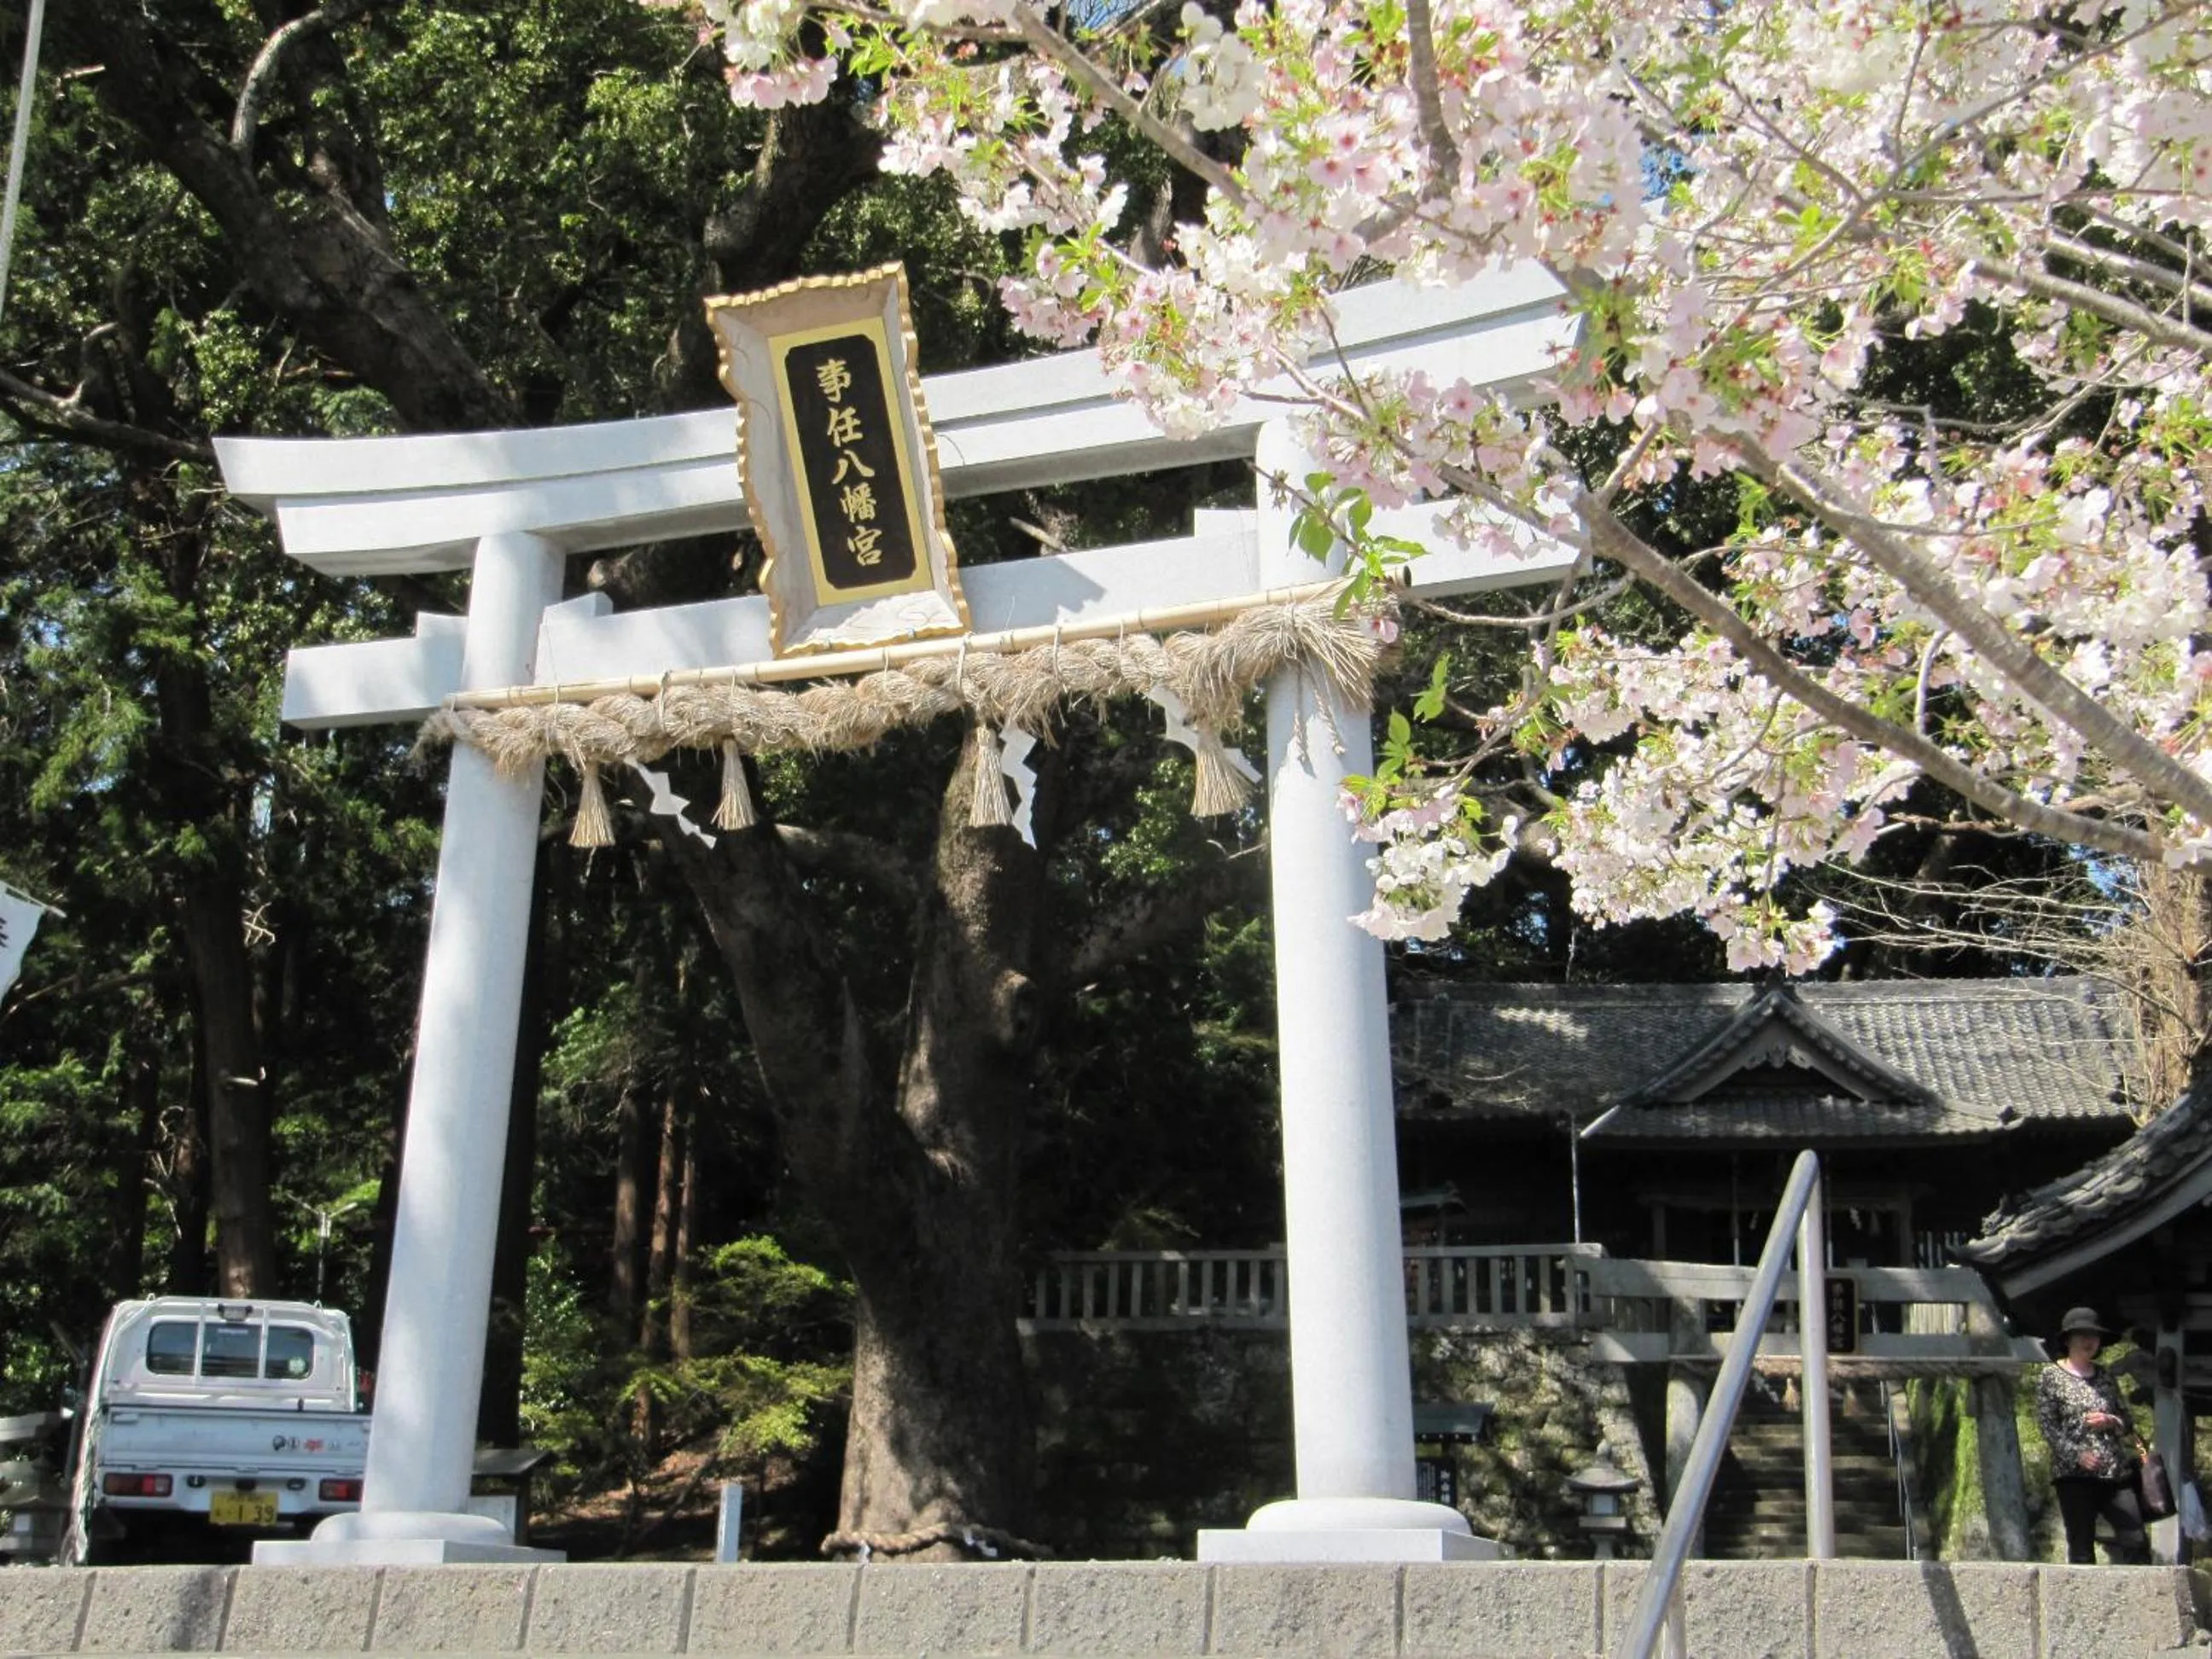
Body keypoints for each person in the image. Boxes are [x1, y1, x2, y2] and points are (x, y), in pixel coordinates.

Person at [2034, 1307, 2150, 1565]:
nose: (2089, 1341)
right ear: (2068, 1340)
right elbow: (2047, 1425)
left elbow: (2126, 1421)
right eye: (2082, 1335)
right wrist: (2077, 1455)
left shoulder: (2106, 1376)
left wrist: (2111, 1420)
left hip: (2114, 1470)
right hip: (2074, 1474)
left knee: (2136, 1538)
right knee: (2081, 1547)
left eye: (2094, 1336)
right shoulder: (2051, 1376)